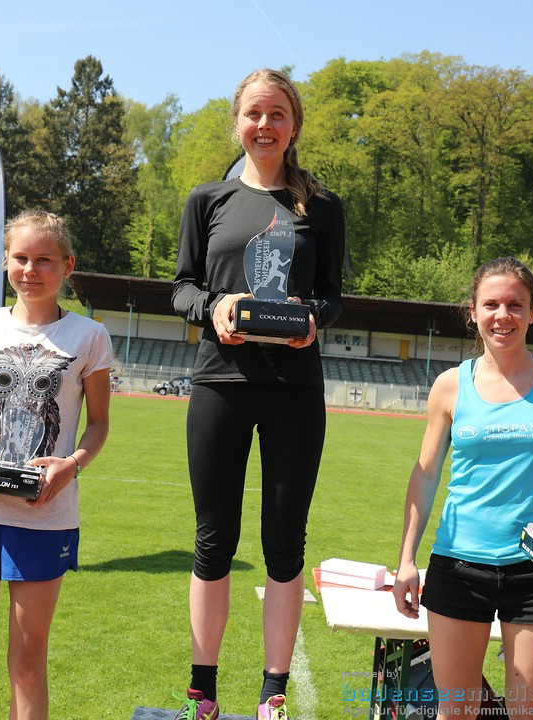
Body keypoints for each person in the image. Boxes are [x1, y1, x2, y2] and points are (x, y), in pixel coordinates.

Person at [171, 68, 345, 720]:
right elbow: (182, 287)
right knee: (213, 540)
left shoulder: (321, 208)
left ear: (293, 124)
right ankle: (204, 686)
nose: (264, 125)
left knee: (284, 543)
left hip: (294, 389)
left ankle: (273, 688)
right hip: (220, 383)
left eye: (277, 114)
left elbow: (331, 296)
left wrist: (311, 320)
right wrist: (213, 308)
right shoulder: (206, 201)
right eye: (253, 113)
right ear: (237, 122)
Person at [392, 258, 533, 720]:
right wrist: (406, 559)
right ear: (473, 311)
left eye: (515, 304)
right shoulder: (449, 386)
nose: (502, 315)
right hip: (459, 568)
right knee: (457, 713)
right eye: (491, 304)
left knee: (528, 713)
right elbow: (426, 474)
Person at [0, 210, 112, 719]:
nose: (30, 270)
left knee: (29, 662)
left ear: (67, 266)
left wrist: (72, 465)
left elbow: (99, 424)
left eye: (44, 260)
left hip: (44, 517)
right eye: (20, 258)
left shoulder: (90, 336)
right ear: (6, 262)